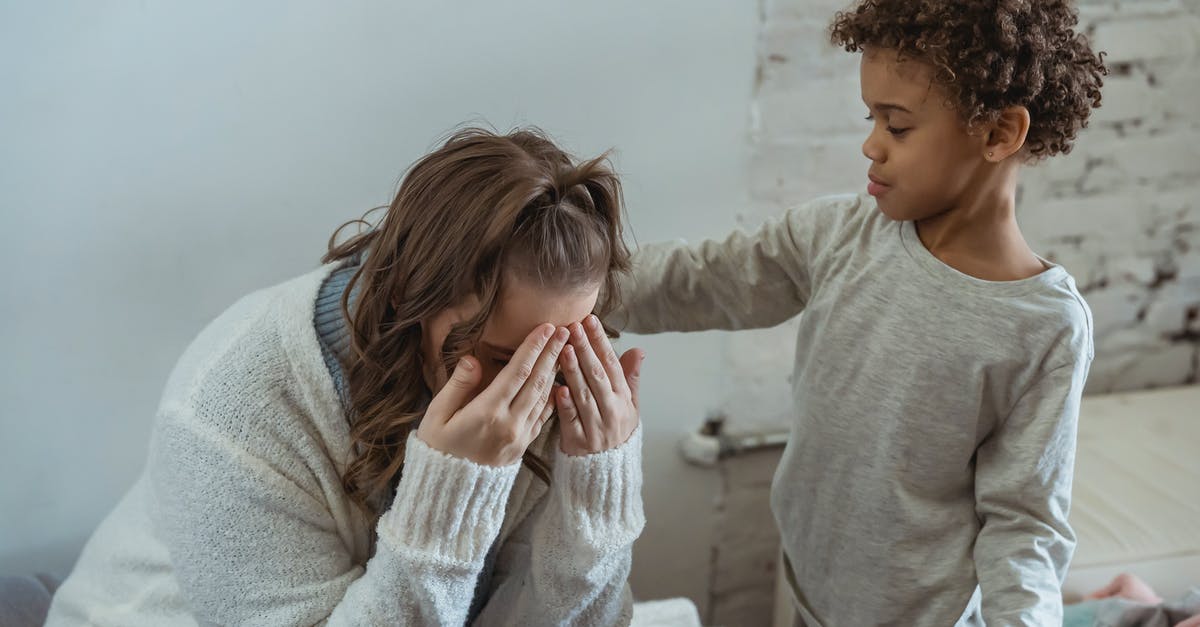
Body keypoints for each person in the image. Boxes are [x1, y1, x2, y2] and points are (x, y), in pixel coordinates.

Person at [610, 1, 1106, 624]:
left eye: (897, 128)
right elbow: (706, 278)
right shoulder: (839, 235)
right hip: (808, 587)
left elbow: (1024, 520)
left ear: (999, 133)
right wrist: (578, 288)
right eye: (870, 119)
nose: (871, 146)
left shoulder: (1043, 325)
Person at [45, 127, 647, 626]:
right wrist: (449, 499)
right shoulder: (232, 404)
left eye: (565, 349)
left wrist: (595, 499)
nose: (536, 385)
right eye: (499, 354)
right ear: (411, 300)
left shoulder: (564, 388)